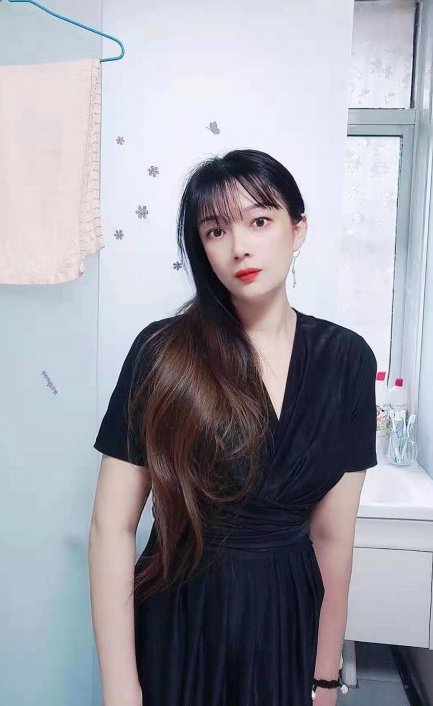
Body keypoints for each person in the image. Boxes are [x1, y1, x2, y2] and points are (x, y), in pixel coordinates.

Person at [88, 148, 378, 706]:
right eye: (215, 230)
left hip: (285, 617)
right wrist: (121, 691)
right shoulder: (162, 353)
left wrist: (325, 677)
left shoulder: (347, 359)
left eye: (259, 221)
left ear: (297, 230)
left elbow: (333, 538)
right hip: (181, 614)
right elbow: (110, 528)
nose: (239, 246)